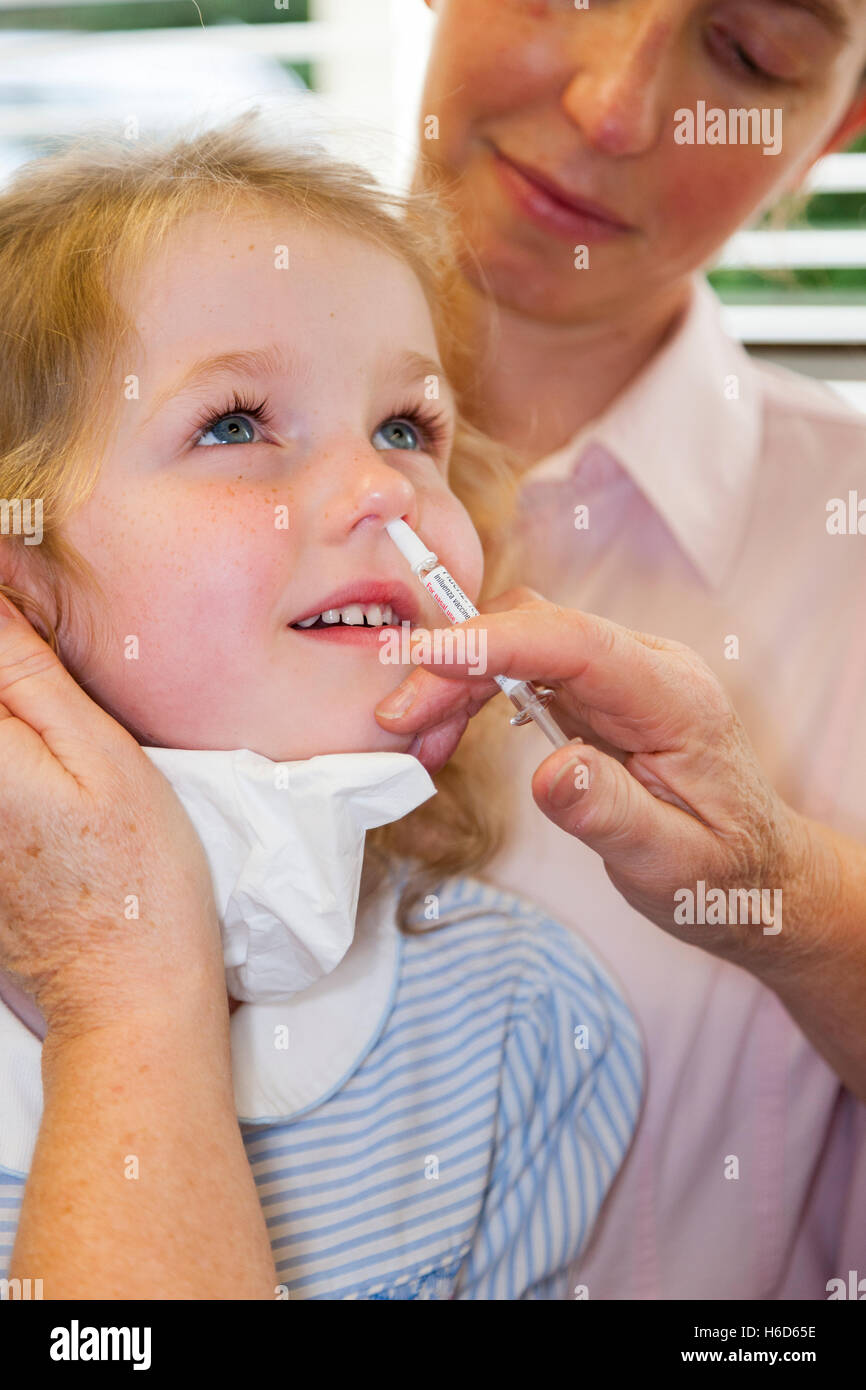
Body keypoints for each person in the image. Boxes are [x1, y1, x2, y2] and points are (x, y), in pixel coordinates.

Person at [0, 116, 643, 1300]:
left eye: (406, 427)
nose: (383, 488)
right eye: (235, 425)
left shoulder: (515, 1028)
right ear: (17, 580)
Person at [369, 0, 866, 1298]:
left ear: (844, 120)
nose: (613, 105)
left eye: (749, 50)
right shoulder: (56, 446)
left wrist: (792, 901)